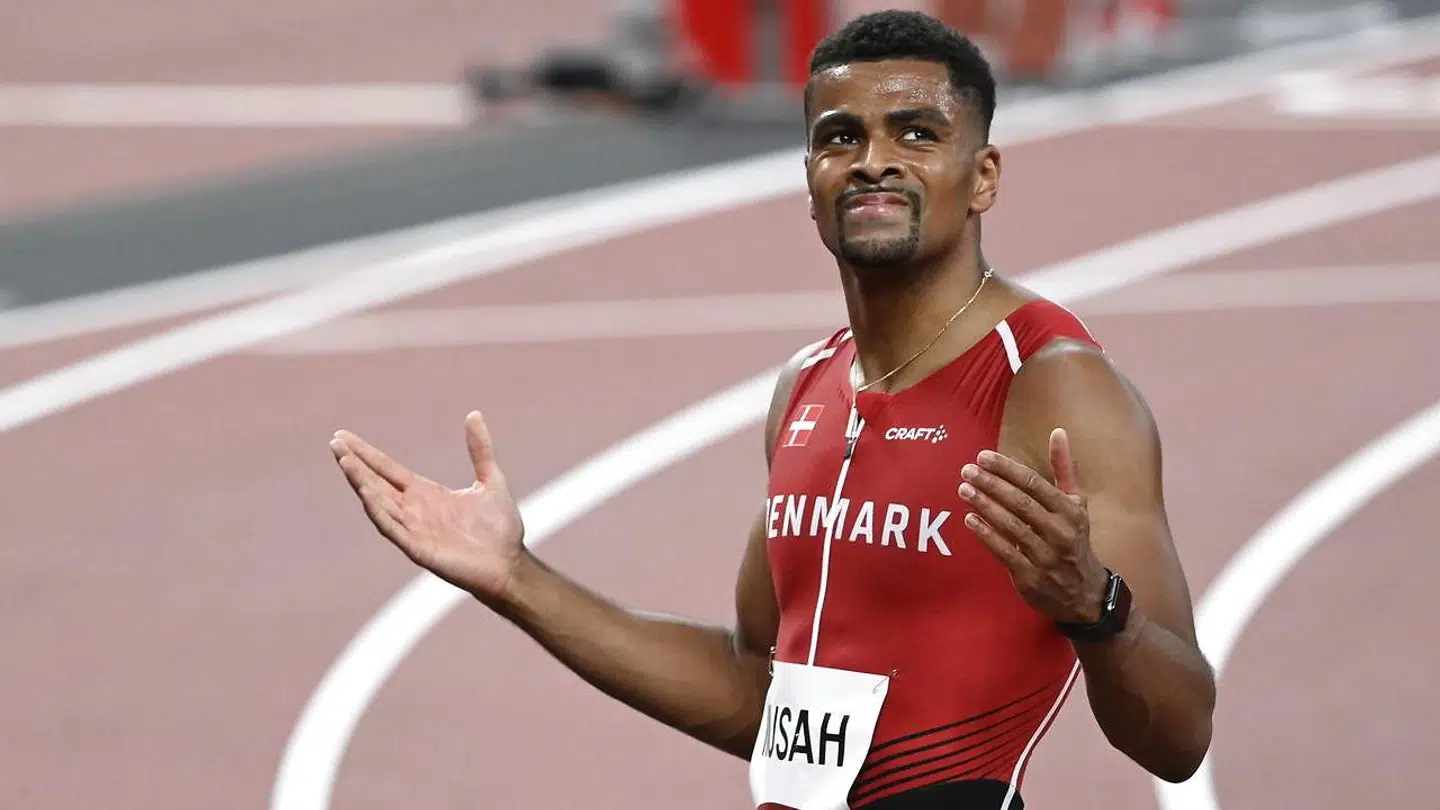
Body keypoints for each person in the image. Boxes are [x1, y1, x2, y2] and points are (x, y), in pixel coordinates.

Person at [328, 9, 1217, 809]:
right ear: (810, 178)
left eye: (916, 133)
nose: (873, 159)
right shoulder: (809, 385)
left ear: (982, 176)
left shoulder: (1054, 386)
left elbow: (1178, 742)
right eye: (841, 137)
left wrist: (1096, 605)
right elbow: (757, 690)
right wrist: (515, 579)